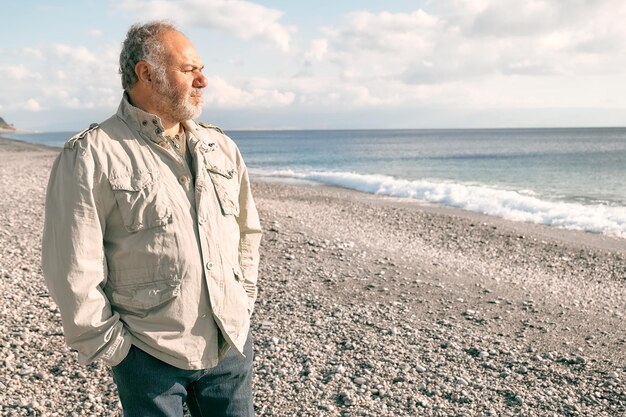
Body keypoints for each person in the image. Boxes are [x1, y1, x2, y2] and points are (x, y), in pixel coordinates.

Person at [42, 21, 262, 417]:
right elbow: (71, 266)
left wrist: (242, 302)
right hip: (148, 356)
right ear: (146, 73)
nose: (203, 80)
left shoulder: (221, 147)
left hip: (230, 346)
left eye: (201, 69)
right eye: (189, 69)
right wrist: (116, 350)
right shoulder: (91, 154)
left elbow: (248, 232)